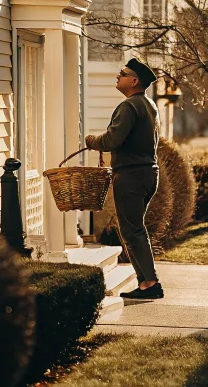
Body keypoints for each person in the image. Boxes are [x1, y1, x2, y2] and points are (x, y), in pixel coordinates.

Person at [85, 57, 163, 300]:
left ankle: (150, 284)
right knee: (134, 229)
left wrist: (91, 141)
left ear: (134, 80)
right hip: (148, 174)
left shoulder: (129, 107)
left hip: (131, 176)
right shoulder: (150, 105)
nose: (117, 76)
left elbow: (111, 140)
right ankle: (146, 283)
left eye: (122, 73)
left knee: (133, 230)